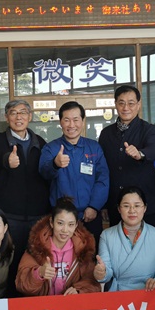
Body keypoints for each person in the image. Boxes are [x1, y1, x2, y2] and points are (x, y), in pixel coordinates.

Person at [0, 100, 51, 278]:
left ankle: (30, 294)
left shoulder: (40, 142)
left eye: (23, 112)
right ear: (7, 117)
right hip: (9, 215)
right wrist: (7, 160)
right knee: (9, 261)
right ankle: (9, 295)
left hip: (37, 215)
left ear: (30, 116)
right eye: (13, 113)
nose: (18, 117)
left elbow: (46, 173)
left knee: (35, 261)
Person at [40, 101, 109, 239]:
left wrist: (94, 206)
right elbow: (43, 173)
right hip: (61, 219)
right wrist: (55, 164)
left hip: (89, 215)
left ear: (82, 121)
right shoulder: (51, 148)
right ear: (60, 122)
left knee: (91, 251)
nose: (71, 125)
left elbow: (103, 179)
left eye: (76, 120)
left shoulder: (94, 147)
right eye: (67, 120)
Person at [99, 86, 155, 228]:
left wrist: (140, 154)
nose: (126, 107)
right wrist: (103, 204)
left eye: (131, 103)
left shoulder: (149, 129)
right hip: (117, 206)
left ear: (138, 105)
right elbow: (102, 170)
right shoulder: (106, 134)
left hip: (145, 206)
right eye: (121, 103)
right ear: (116, 104)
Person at [16, 198, 101, 297]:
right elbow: (21, 284)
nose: (65, 230)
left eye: (70, 225)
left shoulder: (82, 250)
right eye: (60, 223)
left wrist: (78, 290)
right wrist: (39, 273)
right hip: (42, 305)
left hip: (69, 305)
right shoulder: (37, 247)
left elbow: (92, 283)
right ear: (51, 222)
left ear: (76, 225)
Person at [94, 186, 155, 292]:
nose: (132, 210)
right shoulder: (107, 235)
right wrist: (101, 273)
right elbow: (106, 273)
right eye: (126, 206)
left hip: (149, 294)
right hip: (118, 294)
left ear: (145, 208)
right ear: (119, 209)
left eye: (137, 206)